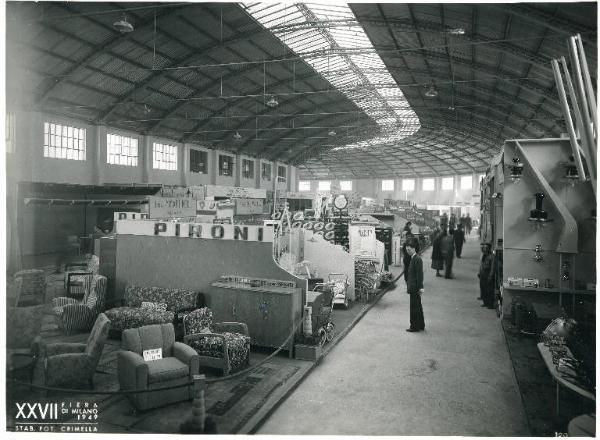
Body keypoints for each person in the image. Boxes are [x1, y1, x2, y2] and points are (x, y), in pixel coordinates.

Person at [404, 237, 425, 332]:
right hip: (414, 287)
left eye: (408, 249)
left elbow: (419, 275)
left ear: (413, 249)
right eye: (406, 249)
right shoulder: (414, 258)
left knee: (414, 308)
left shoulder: (417, 259)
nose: (407, 251)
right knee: (418, 306)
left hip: (415, 287)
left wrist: (420, 288)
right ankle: (421, 325)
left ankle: (414, 326)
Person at [478, 243, 495, 308]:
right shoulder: (484, 255)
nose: (484, 249)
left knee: (489, 290)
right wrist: (479, 273)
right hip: (483, 274)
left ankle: (490, 304)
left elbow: (492, 268)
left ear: (489, 249)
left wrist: (490, 276)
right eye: (484, 248)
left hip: (487, 275)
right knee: (483, 289)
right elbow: (481, 265)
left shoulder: (492, 257)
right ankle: (485, 302)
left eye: (486, 248)